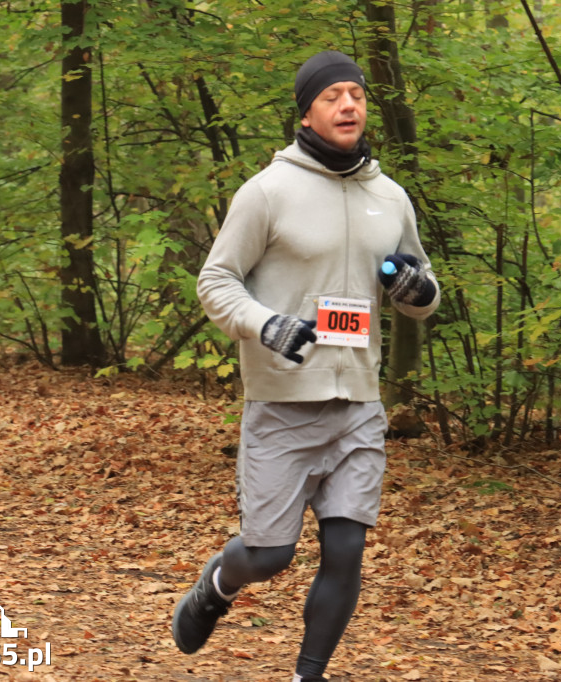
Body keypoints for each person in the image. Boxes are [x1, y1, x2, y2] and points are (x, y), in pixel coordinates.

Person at [173, 50, 440, 682]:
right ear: (307, 113)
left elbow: (425, 292)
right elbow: (216, 280)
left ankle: (308, 675)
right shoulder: (269, 192)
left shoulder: (390, 197)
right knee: (270, 555)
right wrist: (265, 323)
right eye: (333, 96)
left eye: (358, 94)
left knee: (346, 549)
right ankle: (217, 585)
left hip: (359, 407)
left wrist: (414, 291)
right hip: (282, 404)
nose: (349, 105)